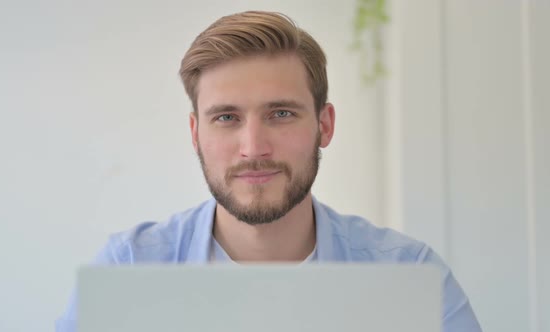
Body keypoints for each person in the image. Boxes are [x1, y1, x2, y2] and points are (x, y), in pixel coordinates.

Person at [56, 10, 481, 332]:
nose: (254, 148)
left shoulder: (410, 280)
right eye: (226, 117)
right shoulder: (128, 271)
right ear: (195, 133)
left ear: (324, 125)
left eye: (280, 113)